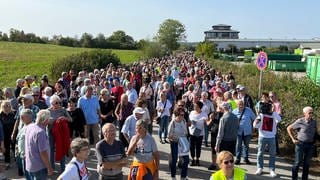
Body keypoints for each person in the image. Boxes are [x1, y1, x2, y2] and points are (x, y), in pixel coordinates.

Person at [287, 106, 320, 180]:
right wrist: (293, 139)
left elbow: (315, 132)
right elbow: (288, 128)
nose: (311, 114)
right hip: (300, 144)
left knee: (307, 164)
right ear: (304, 113)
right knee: (297, 163)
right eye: (309, 113)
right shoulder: (300, 121)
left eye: (312, 113)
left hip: (310, 145)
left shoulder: (314, 122)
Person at [253, 104, 281, 178]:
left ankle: (272, 170)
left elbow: (279, 119)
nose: (272, 108)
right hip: (262, 136)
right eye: (271, 107)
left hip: (272, 137)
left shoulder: (274, 114)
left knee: (272, 154)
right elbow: (255, 126)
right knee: (260, 153)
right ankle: (260, 168)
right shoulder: (261, 115)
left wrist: (274, 112)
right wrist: (257, 121)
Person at [25, 109, 53, 179]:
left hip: (30, 164)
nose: (49, 121)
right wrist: (49, 168)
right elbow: (43, 153)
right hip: (39, 167)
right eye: (49, 119)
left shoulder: (29, 126)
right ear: (46, 120)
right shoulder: (41, 132)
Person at [168, 107, 189, 180]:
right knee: (174, 160)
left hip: (182, 143)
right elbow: (169, 135)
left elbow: (186, 132)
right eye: (181, 114)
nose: (182, 116)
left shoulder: (184, 121)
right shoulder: (173, 123)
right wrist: (176, 138)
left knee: (186, 160)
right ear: (177, 114)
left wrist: (184, 139)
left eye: (183, 114)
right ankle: (173, 176)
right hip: (175, 143)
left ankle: (183, 177)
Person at [232, 99, 256, 165]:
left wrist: (254, 127)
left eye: (242, 104)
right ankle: (237, 159)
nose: (241, 105)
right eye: (239, 104)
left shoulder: (249, 110)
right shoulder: (234, 111)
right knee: (238, 145)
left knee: (246, 146)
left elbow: (254, 118)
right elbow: (231, 121)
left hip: (247, 131)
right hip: (238, 131)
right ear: (237, 105)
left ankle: (246, 158)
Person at [16, 109, 33, 180]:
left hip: (28, 156)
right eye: (21, 116)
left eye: (23, 117)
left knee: (30, 174)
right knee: (25, 173)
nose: (21, 118)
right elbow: (19, 138)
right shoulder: (24, 126)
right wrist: (17, 148)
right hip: (22, 154)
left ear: (30, 117)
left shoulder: (32, 127)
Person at [188, 101, 207, 166]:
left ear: (199, 107)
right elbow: (189, 120)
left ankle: (197, 159)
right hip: (192, 132)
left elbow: (205, 122)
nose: (194, 107)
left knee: (198, 147)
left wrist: (203, 121)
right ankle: (193, 159)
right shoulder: (192, 112)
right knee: (191, 146)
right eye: (194, 106)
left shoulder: (204, 114)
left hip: (200, 133)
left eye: (196, 106)